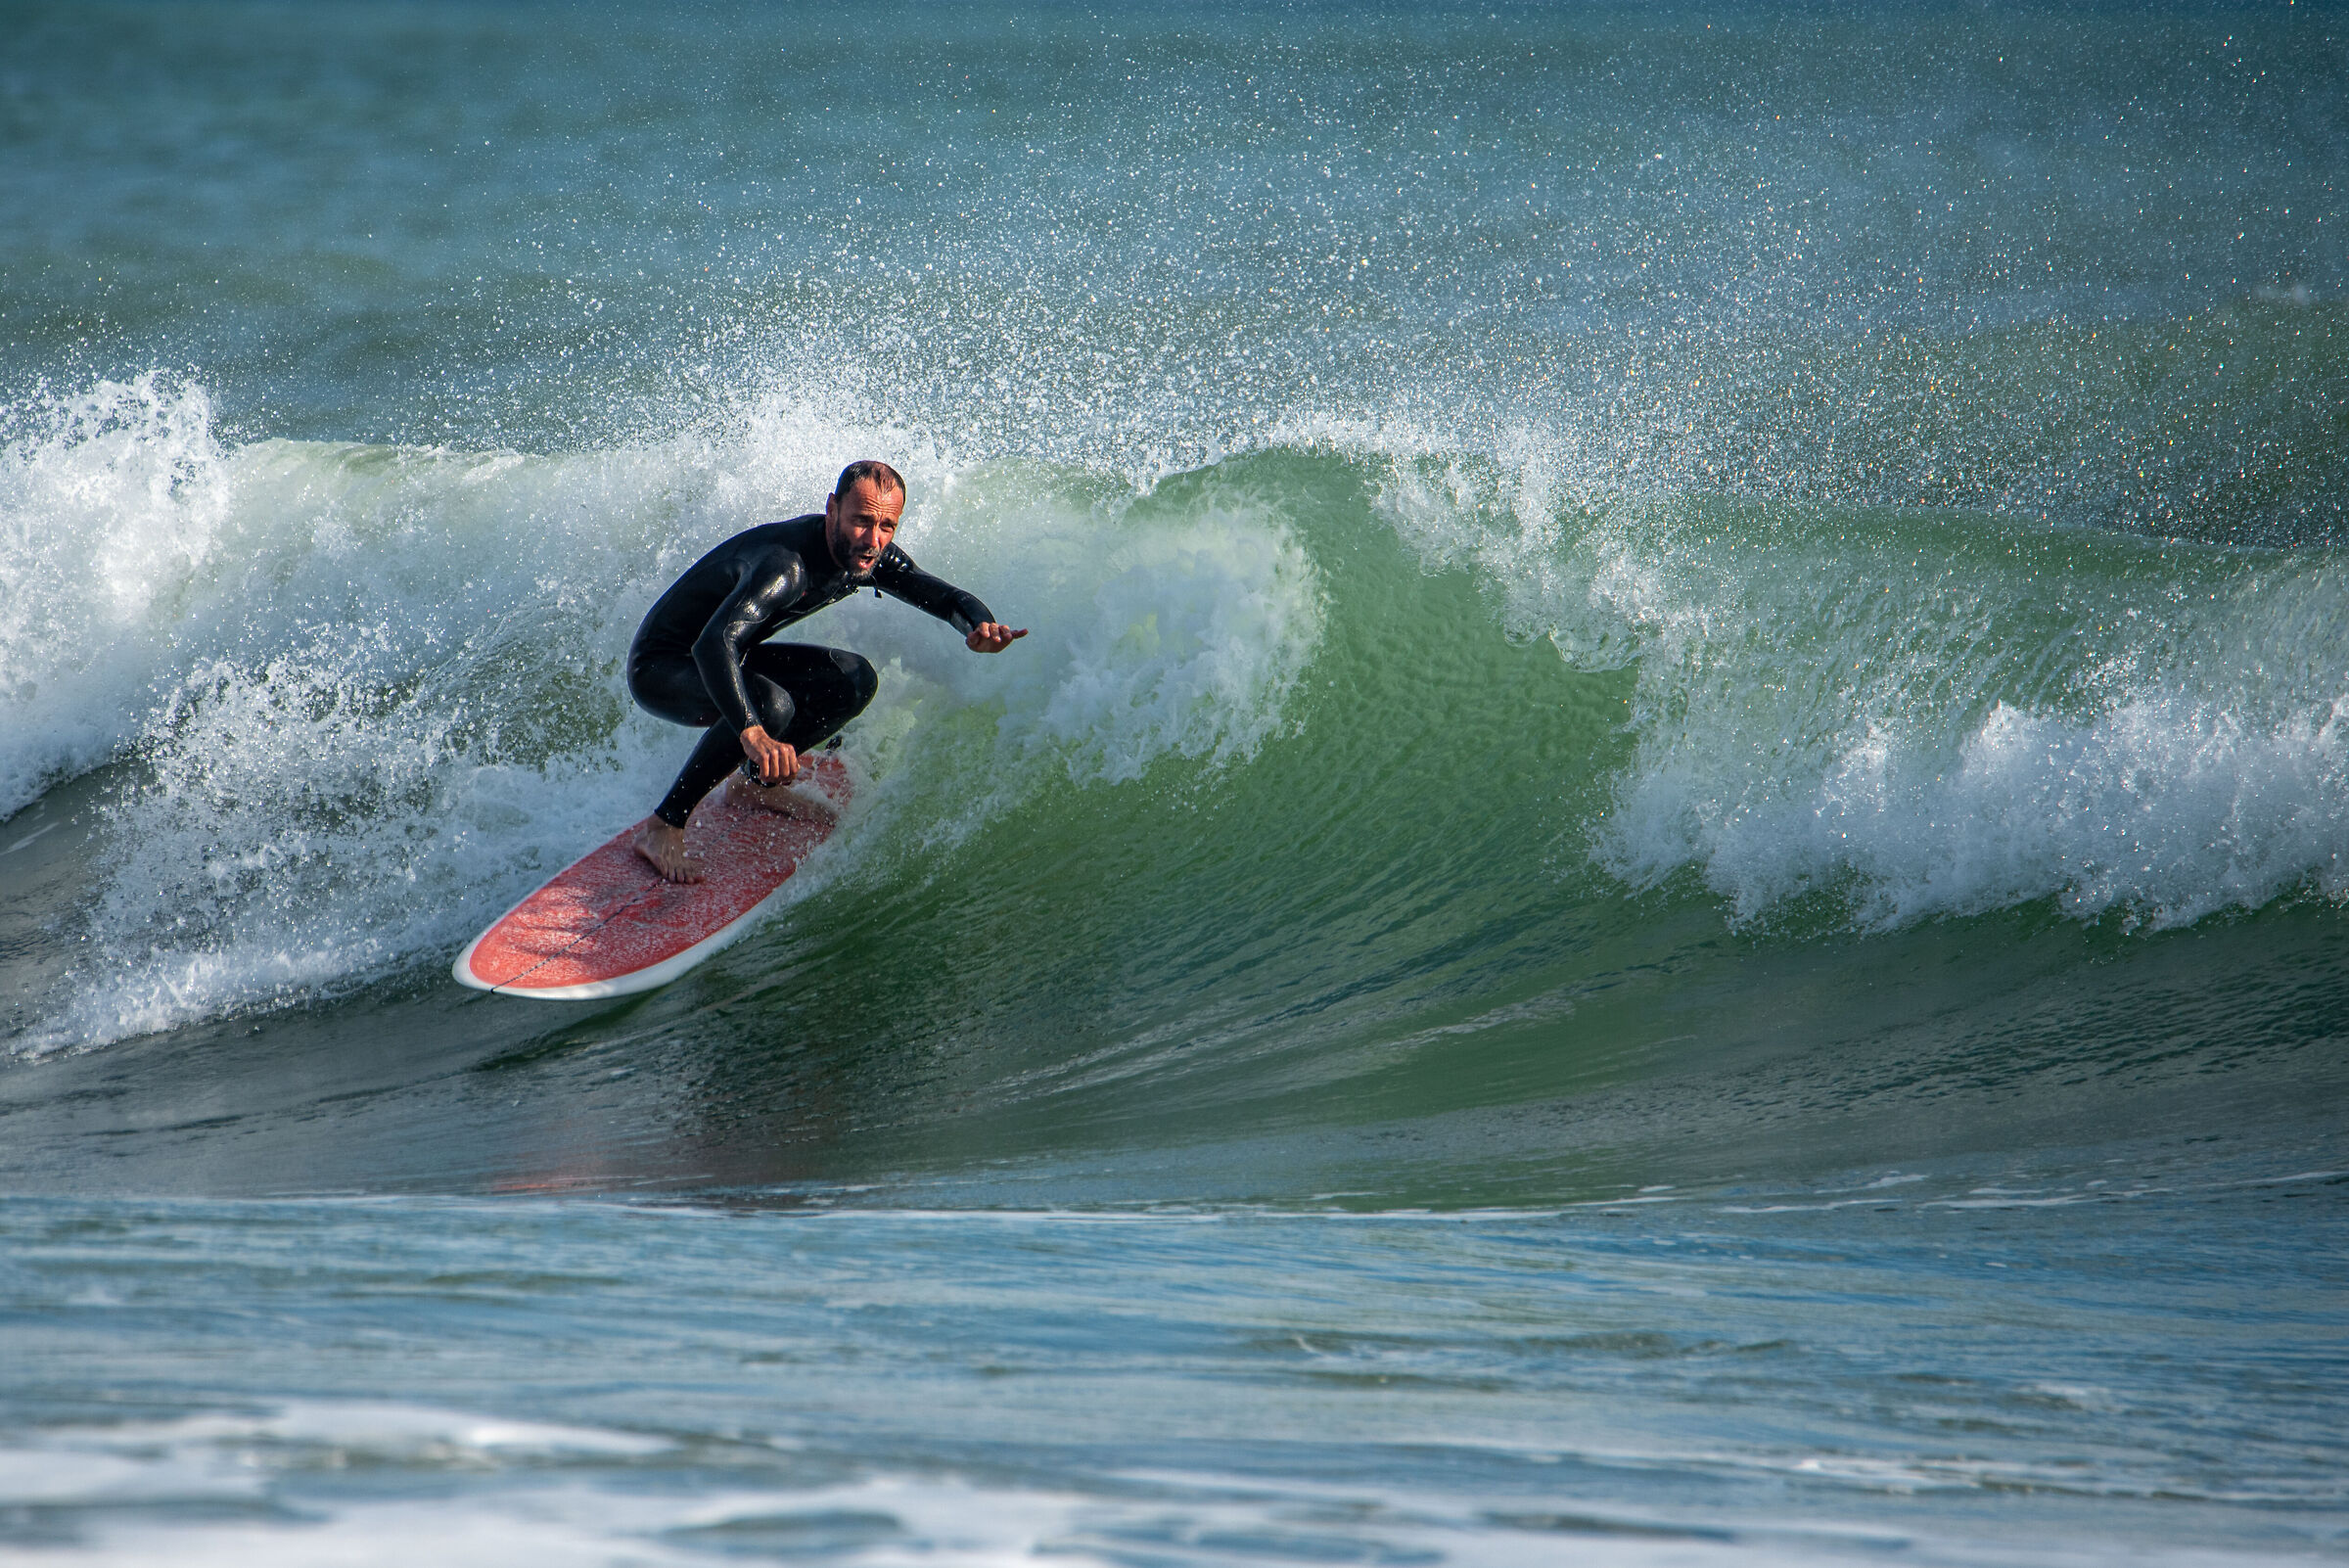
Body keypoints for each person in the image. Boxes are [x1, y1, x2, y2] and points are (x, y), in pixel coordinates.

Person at [625, 460, 1026, 882]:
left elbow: (945, 597)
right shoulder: (786, 567)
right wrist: (751, 732)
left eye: (887, 526)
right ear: (832, 509)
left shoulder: (867, 556)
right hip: (663, 667)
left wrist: (981, 625)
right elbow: (713, 643)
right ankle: (664, 825)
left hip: (726, 653)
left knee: (853, 680)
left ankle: (753, 786)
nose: (873, 539)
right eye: (862, 521)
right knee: (770, 705)